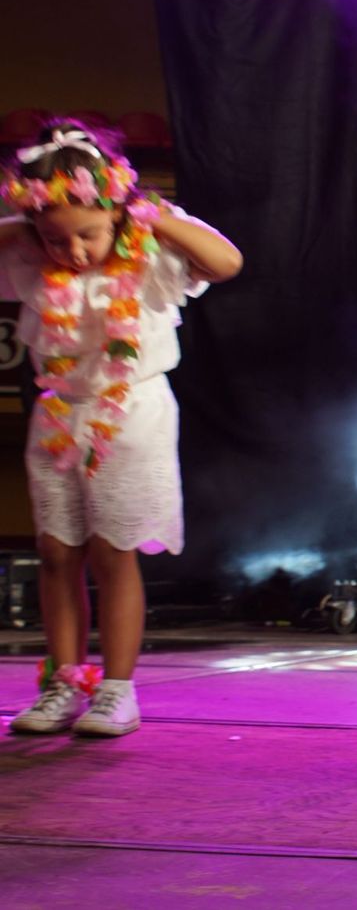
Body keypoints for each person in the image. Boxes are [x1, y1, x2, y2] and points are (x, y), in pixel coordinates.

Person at [1, 120, 242, 737]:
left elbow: (225, 261)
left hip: (132, 410)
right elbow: (34, 229)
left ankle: (116, 689)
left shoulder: (147, 251)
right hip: (59, 412)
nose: (74, 253)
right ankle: (63, 681)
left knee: (114, 551)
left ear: (117, 219)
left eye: (88, 236)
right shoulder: (32, 254)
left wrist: (145, 210)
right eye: (57, 241)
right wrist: (31, 212)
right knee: (56, 550)